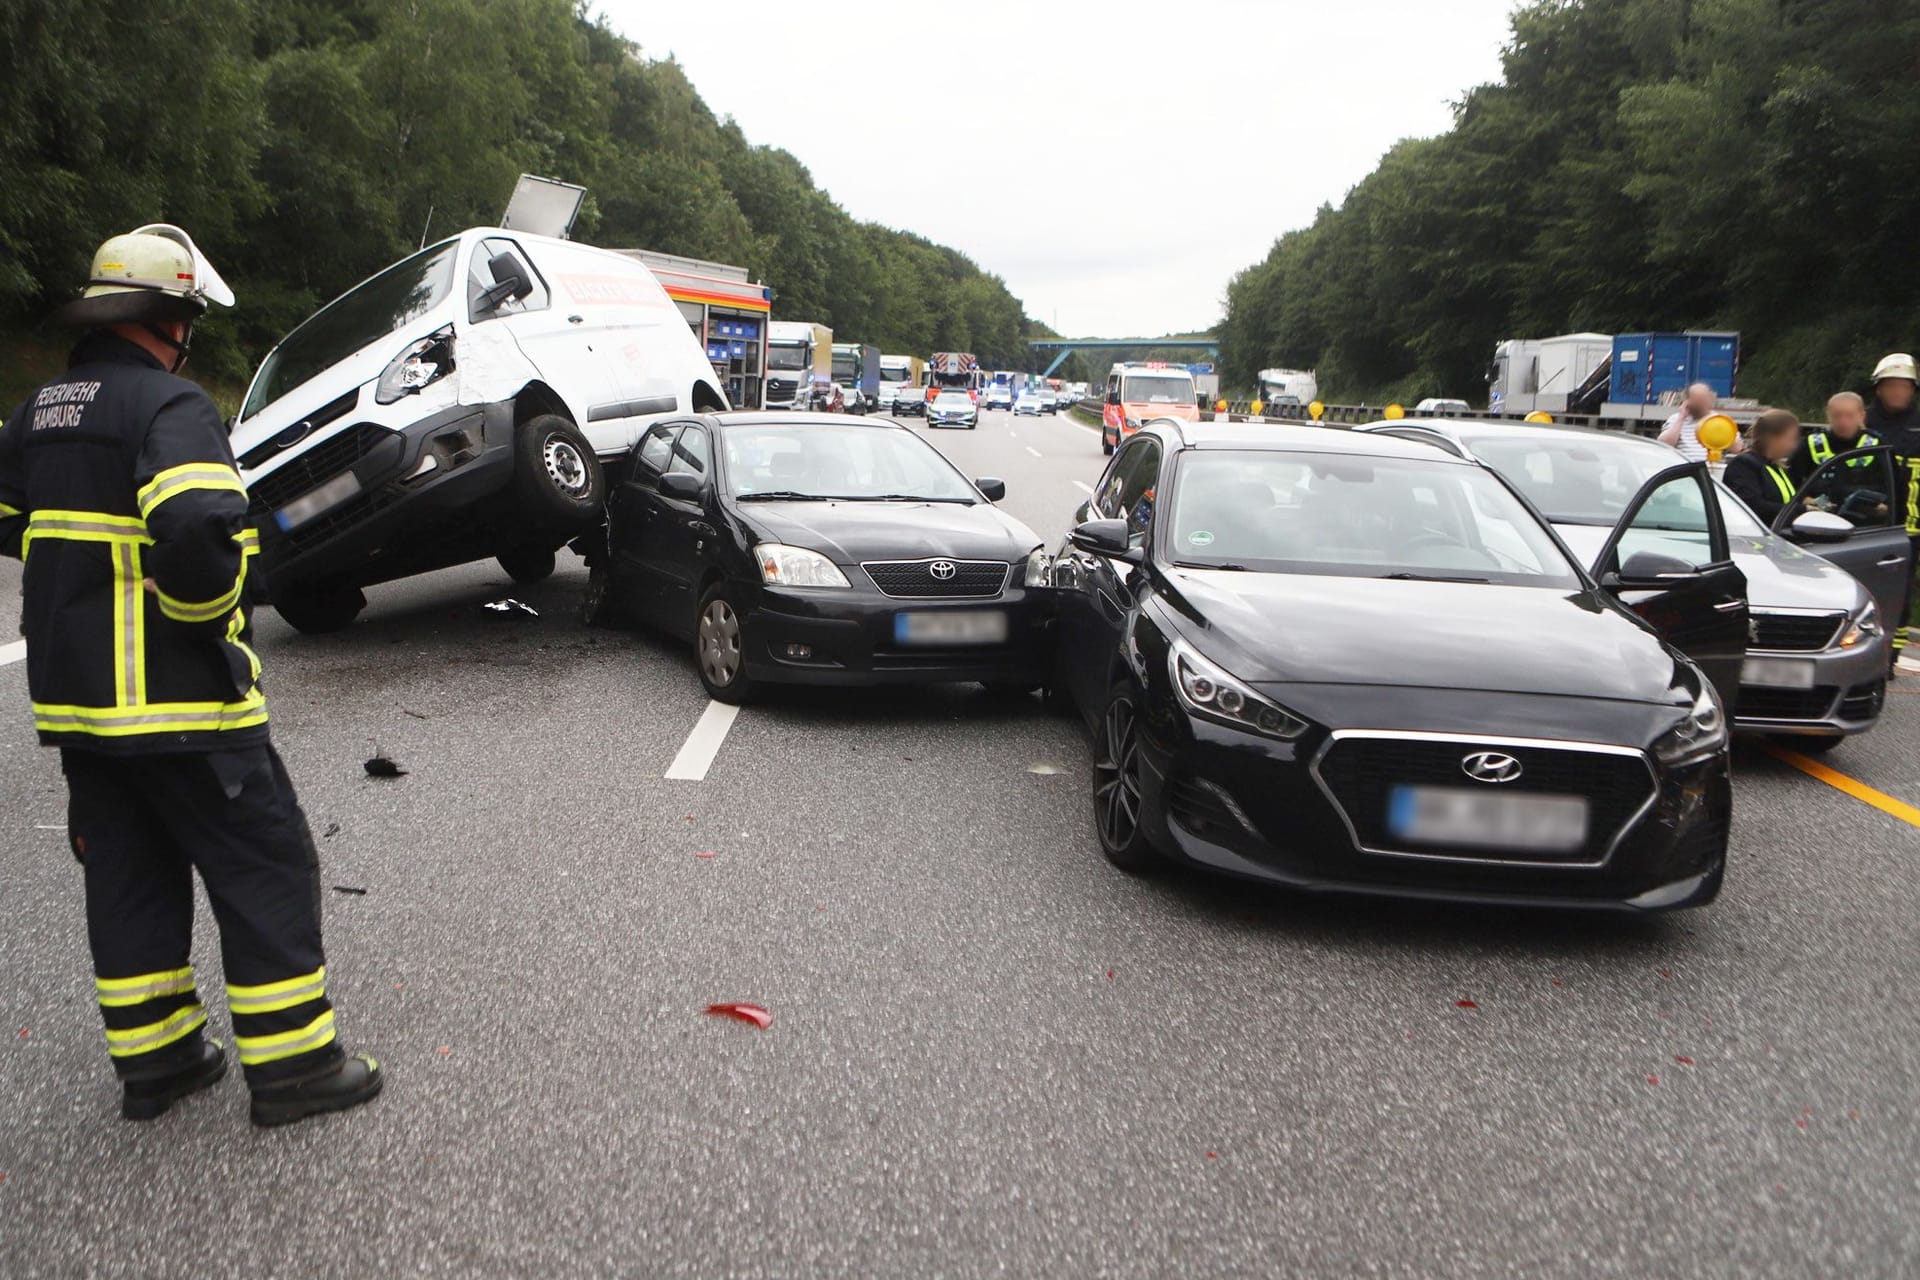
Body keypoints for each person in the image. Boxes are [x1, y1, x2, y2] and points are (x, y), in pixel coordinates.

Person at [0, 226, 382, 1126]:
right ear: (169, 317)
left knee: (129, 874)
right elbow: (203, 529)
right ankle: (294, 1070)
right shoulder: (170, 407)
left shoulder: (41, 410)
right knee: (266, 866)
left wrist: (87, 588)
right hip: (182, 703)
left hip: (82, 712)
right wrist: (214, 628)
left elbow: (16, 521)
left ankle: (161, 1063)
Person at [1867, 354, 1920, 664]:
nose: (1898, 392)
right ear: (1879, 389)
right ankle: (1868, 647)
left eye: (1904, 386)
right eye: (1892, 386)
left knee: (1902, 592)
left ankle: (1892, 655)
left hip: (1914, 525)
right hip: (1873, 524)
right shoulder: (1865, 421)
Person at [1790, 391, 1886, 518]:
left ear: (1862, 416)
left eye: (1849, 416)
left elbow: (1892, 489)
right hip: (1820, 520)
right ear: (1828, 416)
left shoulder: (1877, 445)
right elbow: (1789, 485)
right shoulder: (1811, 444)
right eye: (1837, 416)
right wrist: (1809, 501)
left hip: (1866, 523)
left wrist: (1882, 507)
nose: (1843, 422)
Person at [1722, 408, 1802, 525]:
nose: (1794, 445)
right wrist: (1801, 511)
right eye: (1790, 439)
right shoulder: (1744, 465)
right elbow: (1752, 506)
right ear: (1773, 438)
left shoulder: (1776, 467)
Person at [1657, 382, 1745, 461]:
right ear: (1687, 401)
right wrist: (1681, 418)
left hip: (1710, 468)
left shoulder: (1720, 420)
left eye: (1704, 400)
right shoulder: (1676, 419)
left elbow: (1737, 448)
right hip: (1683, 468)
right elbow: (1663, 445)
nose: (1701, 404)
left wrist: (1723, 430)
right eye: (1697, 400)